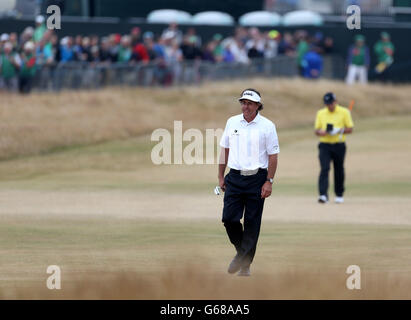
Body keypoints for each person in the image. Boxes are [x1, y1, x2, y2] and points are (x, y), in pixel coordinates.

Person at [218, 88, 279, 276]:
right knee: (229, 219)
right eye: (243, 102)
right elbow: (225, 150)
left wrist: (269, 181)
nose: (246, 106)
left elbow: (273, 156)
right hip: (234, 177)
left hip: (257, 179)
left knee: (252, 223)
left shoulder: (267, 126)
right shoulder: (232, 122)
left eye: (250, 103)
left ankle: (244, 264)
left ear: (258, 105)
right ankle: (242, 254)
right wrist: (221, 176)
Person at [314, 92, 354, 204]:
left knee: (339, 169)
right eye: (327, 104)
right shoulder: (321, 113)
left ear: (335, 102)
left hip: (339, 144)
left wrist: (339, 130)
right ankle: (323, 195)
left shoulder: (344, 112)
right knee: (324, 168)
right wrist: (322, 132)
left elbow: (350, 129)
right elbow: (316, 130)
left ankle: (339, 194)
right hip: (324, 145)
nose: (329, 106)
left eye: (331, 103)